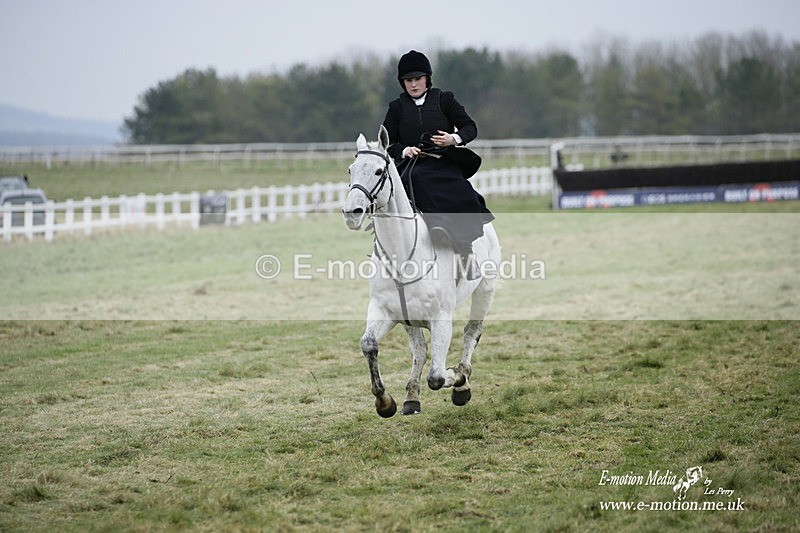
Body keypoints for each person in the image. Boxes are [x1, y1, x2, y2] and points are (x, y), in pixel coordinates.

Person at [382, 50, 493, 280]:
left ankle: (466, 252)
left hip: (443, 161)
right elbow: (387, 141)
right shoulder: (396, 107)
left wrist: (454, 139)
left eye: (417, 79)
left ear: (427, 78)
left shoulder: (444, 99)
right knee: (412, 183)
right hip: (412, 165)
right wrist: (404, 149)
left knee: (462, 190)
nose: (413, 85)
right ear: (403, 82)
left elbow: (470, 127)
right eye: (408, 80)